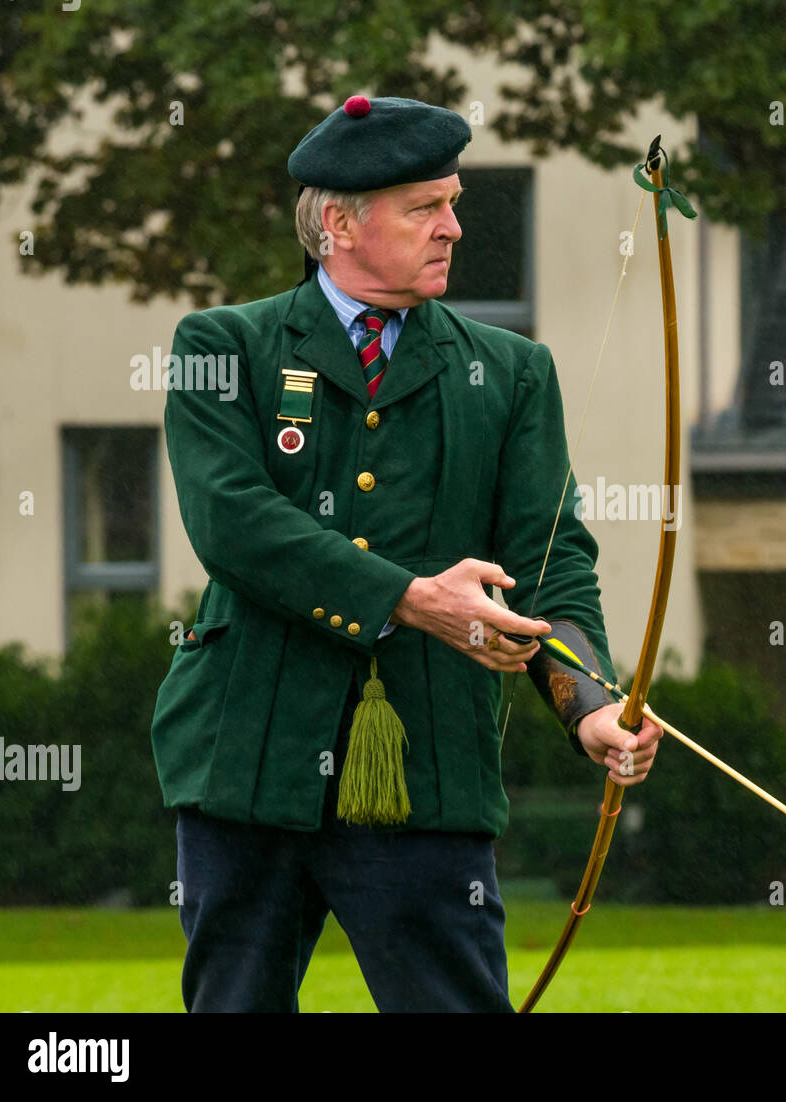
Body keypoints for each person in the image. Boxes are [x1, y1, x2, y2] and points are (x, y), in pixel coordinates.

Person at [150, 94, 662, 1012]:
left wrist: (588, 701)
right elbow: (233, 523)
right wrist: (413, 598)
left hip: (427, 770)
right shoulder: (220, 346)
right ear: (339, 223)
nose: (455, 228)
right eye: (426, 207)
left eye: (453, 202)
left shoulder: (511, 372)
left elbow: (550, 569)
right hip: (247, 758)